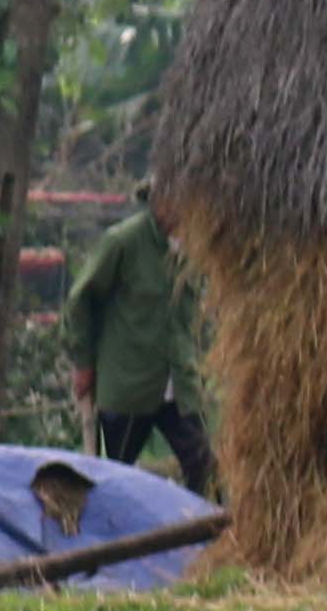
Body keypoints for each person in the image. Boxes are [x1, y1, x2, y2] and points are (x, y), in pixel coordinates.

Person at [61, 180, 214, 494]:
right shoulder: (123, 242)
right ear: (159, 203)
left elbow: (193, 318)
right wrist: (83, 363)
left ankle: (201, 535)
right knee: (115, 477)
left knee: (204, 466)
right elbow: (81, 301)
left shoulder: (194, 249)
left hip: (178, 385)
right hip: (129, 385)